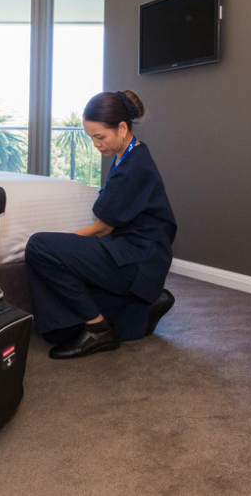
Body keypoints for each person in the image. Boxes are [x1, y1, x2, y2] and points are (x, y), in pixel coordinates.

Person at [25, 90, 177, 359]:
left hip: (136, 260)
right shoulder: (126, 155)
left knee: (39, 246)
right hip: (126, 255)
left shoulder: (134, 167)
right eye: (91, 137)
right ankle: (144, 308)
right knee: (55, 333)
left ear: (121, 128)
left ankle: (99, 330)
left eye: (99, 136)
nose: (96, 144)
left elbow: (101, 228)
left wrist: (59, 249)